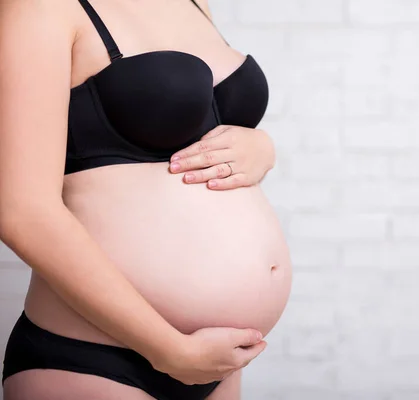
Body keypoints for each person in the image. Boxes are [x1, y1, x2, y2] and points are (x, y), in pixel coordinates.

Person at [0, 0, 293, 399]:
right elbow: (22, 212)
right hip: (97, 359)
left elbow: (202, 125)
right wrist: (169, 350)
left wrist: (262, 148)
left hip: (217, 363)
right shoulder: (40, 8)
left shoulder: (193, 2)